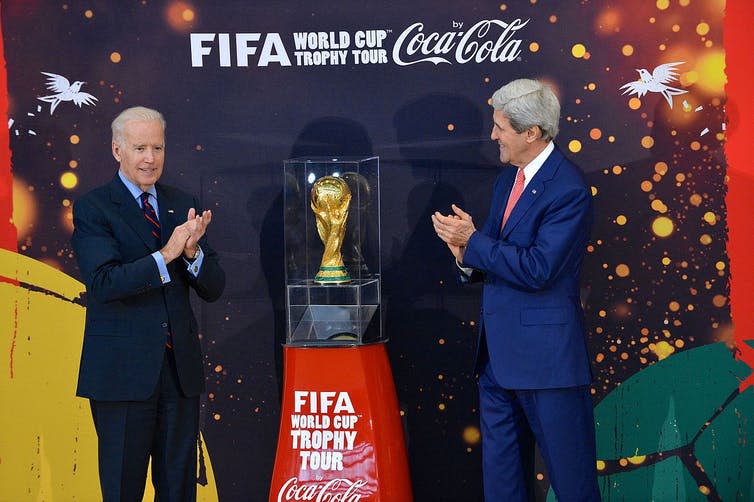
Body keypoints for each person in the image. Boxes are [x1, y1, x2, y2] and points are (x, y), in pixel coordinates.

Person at [431, 79, 600, 501]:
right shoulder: (508, 181)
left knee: (573, 484)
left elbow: (539, 269)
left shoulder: (569, 190)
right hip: (497, 364)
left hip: (548, 366)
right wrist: (461, 255)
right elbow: (494, 256)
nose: (492, 136)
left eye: (500, 128)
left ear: (532, 133)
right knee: (503, 485)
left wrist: (475, 241)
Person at [72, 106, 225, 501]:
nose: (150, 158)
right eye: (140, 147)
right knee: (123, 490)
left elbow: (214, 287)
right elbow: (104, 283)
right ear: (116, 150)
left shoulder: (181, 202)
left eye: (157, 147)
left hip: (179, 376)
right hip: (122, 378)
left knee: (179, 491)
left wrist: (192, 254)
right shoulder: (95, 208)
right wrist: (167, 254)